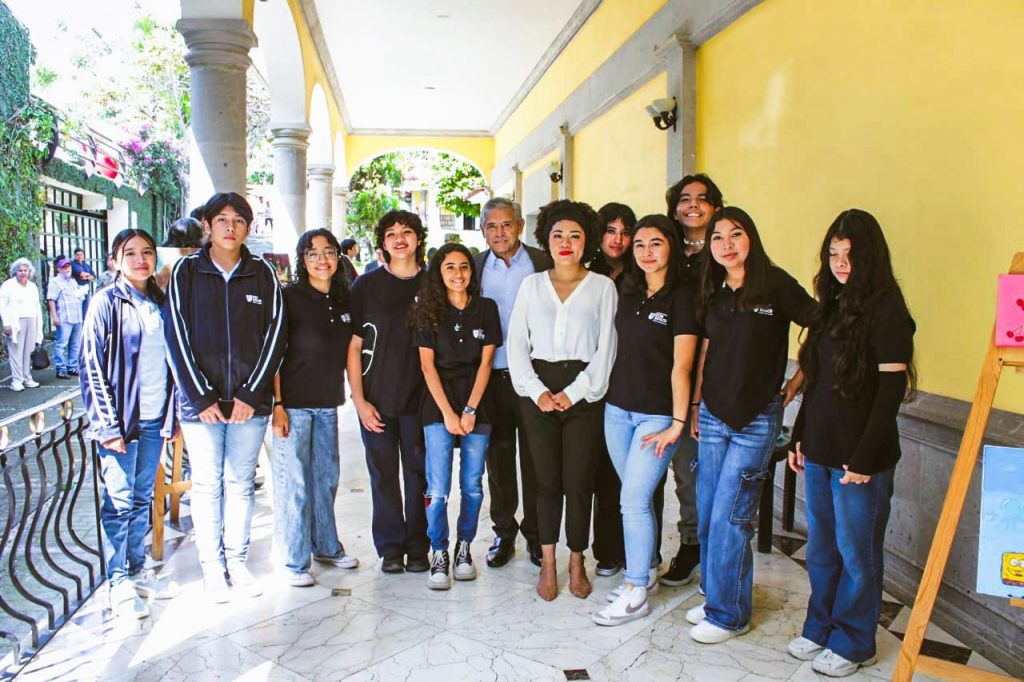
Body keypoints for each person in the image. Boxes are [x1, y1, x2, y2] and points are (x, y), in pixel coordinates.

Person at [786, 209, 915, 677]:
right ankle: (819, 627)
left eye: (850, 255)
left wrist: (863, 457)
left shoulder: (889, 311)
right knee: (822, 549)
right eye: (834, 254)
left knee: (858, 554)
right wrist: (799, 436)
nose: (841, 263)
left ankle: (855, 641)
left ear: (871, 257)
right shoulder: (831, 307)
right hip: (820, 450)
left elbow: (890, 392)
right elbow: (816, 383)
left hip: (861, 459)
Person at [687, 206, 813, 643]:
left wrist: (799, 377)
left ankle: (729, 615)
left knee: (732, 516)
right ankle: (715, 595)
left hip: (756, 418)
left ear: (751, 238)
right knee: (708, 512)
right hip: (712, 415)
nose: (727, 245)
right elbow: (706, 351)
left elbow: (821, 325)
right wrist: (696, 404)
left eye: (735, 234)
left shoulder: (776, 285)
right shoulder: (714, 290)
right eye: (717, 238)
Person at [165, 192, 286, 603]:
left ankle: (237, 561)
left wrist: (253, 393)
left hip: (249, 406)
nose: (230, 227)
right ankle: (212, 567)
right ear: (208, 225)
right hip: (201, 407)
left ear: (248, 227)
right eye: (222, 219)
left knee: (240, 483)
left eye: (238, 220)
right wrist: (201, 397)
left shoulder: (262, 273)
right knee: (206, 484)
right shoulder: (186, 272)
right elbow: (176, 335)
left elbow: (276, 335)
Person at [507, 199, 617, 601]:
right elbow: (516, 343)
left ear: (587, 241)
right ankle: (548, 562)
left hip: (584, 392)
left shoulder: (603, 287)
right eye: (558, 235)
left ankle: (577, 561)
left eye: (575, 235)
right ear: (546, 240)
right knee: (546, 481)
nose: (566, 242)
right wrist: (537, 391)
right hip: (537, 390)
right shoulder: (531, 285)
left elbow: (606, 349)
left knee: (579, 480)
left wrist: (573, 393)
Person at [593, 215, 699, 626]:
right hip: (617, 411)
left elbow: (682, 366)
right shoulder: (628, 289)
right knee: (633, 497)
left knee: (634, 501)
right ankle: (647, 572)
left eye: (655, 243)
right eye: (639, 244)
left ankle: (636, 589)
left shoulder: (683, 297)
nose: (646, 252)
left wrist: (677, 422)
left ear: (671, 246)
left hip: (657, 415)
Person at [80, 228, 180, 619]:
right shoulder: (105, 302)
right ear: (115, 260)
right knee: (119, 502)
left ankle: (136, 569)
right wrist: (107, 426)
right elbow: (92, 367)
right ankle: (117, 581)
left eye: (147, 252)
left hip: (154, 419)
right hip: (122, 423)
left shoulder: (161, 302)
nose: (141, 260)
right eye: (131, 253)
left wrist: (173, 414)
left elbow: (173, 364)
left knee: (141, 498)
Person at [271, 229, 359, 588]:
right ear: (302, 259)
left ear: (338, 257)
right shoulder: (289, 297)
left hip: (327, 403)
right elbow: (274, 355)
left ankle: (326, 546)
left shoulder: (344, 299)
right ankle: (294, 559)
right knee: (294, 484)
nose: (321, 259)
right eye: (312, 253)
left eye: (328, 252)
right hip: (293, 405)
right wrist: (277, 404)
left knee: (326, 478)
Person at [412, 243, 502, 590]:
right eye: (449, 267)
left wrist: (470, 409)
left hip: (478, 403)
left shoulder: (486, 308)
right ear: (439, 272)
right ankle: (439, 551)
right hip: (438, 405)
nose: (458, 273)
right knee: (438, 490)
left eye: (464, 266)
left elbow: (486, 362)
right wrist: (449, 413)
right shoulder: (427, 310)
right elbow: (427, 367)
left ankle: (464, 548)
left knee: (473, 486)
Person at [347, 210, 429, 574]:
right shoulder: (366, 286)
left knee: (419, 474)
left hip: (421, 400)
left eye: (406, 231)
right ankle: (391, 548)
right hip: (376, 398)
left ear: (418, 238)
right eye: (391, 233)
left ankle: (419, 546)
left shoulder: (433, 284)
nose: (399, 239)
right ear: (382, 242)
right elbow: (353, 347)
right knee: (382, 475)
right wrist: (359, 401)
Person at [473, 197, 552, 568]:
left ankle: (536, 535)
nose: (500, 232)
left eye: (506, 224)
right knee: (499, 461)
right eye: (492, 226)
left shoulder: (543, 262)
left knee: (536, 460)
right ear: (483, 230)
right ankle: (504, 533)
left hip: (535, 378)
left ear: (520, 226)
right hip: (491, 378)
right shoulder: (473, 267)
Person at [659, 173, 726, 589]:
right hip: (662, 375)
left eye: (703, 199)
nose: (693, 205)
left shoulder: (725, 253)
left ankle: (704, 548)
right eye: (685, 199)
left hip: (711, 378)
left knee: (699, 471)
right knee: (673, 470)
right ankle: (682, 544)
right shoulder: (665, 251)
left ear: (716, 207)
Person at [589, 201, 636, 577]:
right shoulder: (587, 274)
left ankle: (641, 553)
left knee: (640, 476)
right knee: (604, 472)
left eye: (625, 232)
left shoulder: (644, 272)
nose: (618, 239)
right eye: (610, 231)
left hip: (637, 383)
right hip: (597, 383)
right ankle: (606, 551)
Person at [1, 258, 44, 391]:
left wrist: (39, 325)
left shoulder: (32, 286)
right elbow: (2, 305)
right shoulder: (8, 285)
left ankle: (27, 378)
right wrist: (6, 323)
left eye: (25, 270)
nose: (23, 273)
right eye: (20, 270)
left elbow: (37, 306)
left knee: (28, 351)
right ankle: (17, 381)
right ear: (15, 272)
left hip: (32, 320)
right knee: (16, 352)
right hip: (16, 322)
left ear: (29, 272)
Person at [47, 257, 87, 379]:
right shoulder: (55, 282)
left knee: (75, 344)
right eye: (64, 267)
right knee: (61, 344)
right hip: (64, 318)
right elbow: (51, 300)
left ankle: (72, 367)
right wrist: (55, 317)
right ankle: (61, 369)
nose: (67, 269)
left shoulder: (72, 281)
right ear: (58, 269)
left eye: (68, 266)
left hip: (77, 317)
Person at [71, 246, 96, 316]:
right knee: (77, 308)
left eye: (81, 255)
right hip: (77, 289)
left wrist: (88, 277)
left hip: (86, 289)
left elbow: (94, 275)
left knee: (86, 307)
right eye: (77, 255)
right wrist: (88, 276)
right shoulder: (72, 264)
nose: (79, 256)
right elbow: (80, 274)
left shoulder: (86, 265)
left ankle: (85, 321)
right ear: (74, 255)